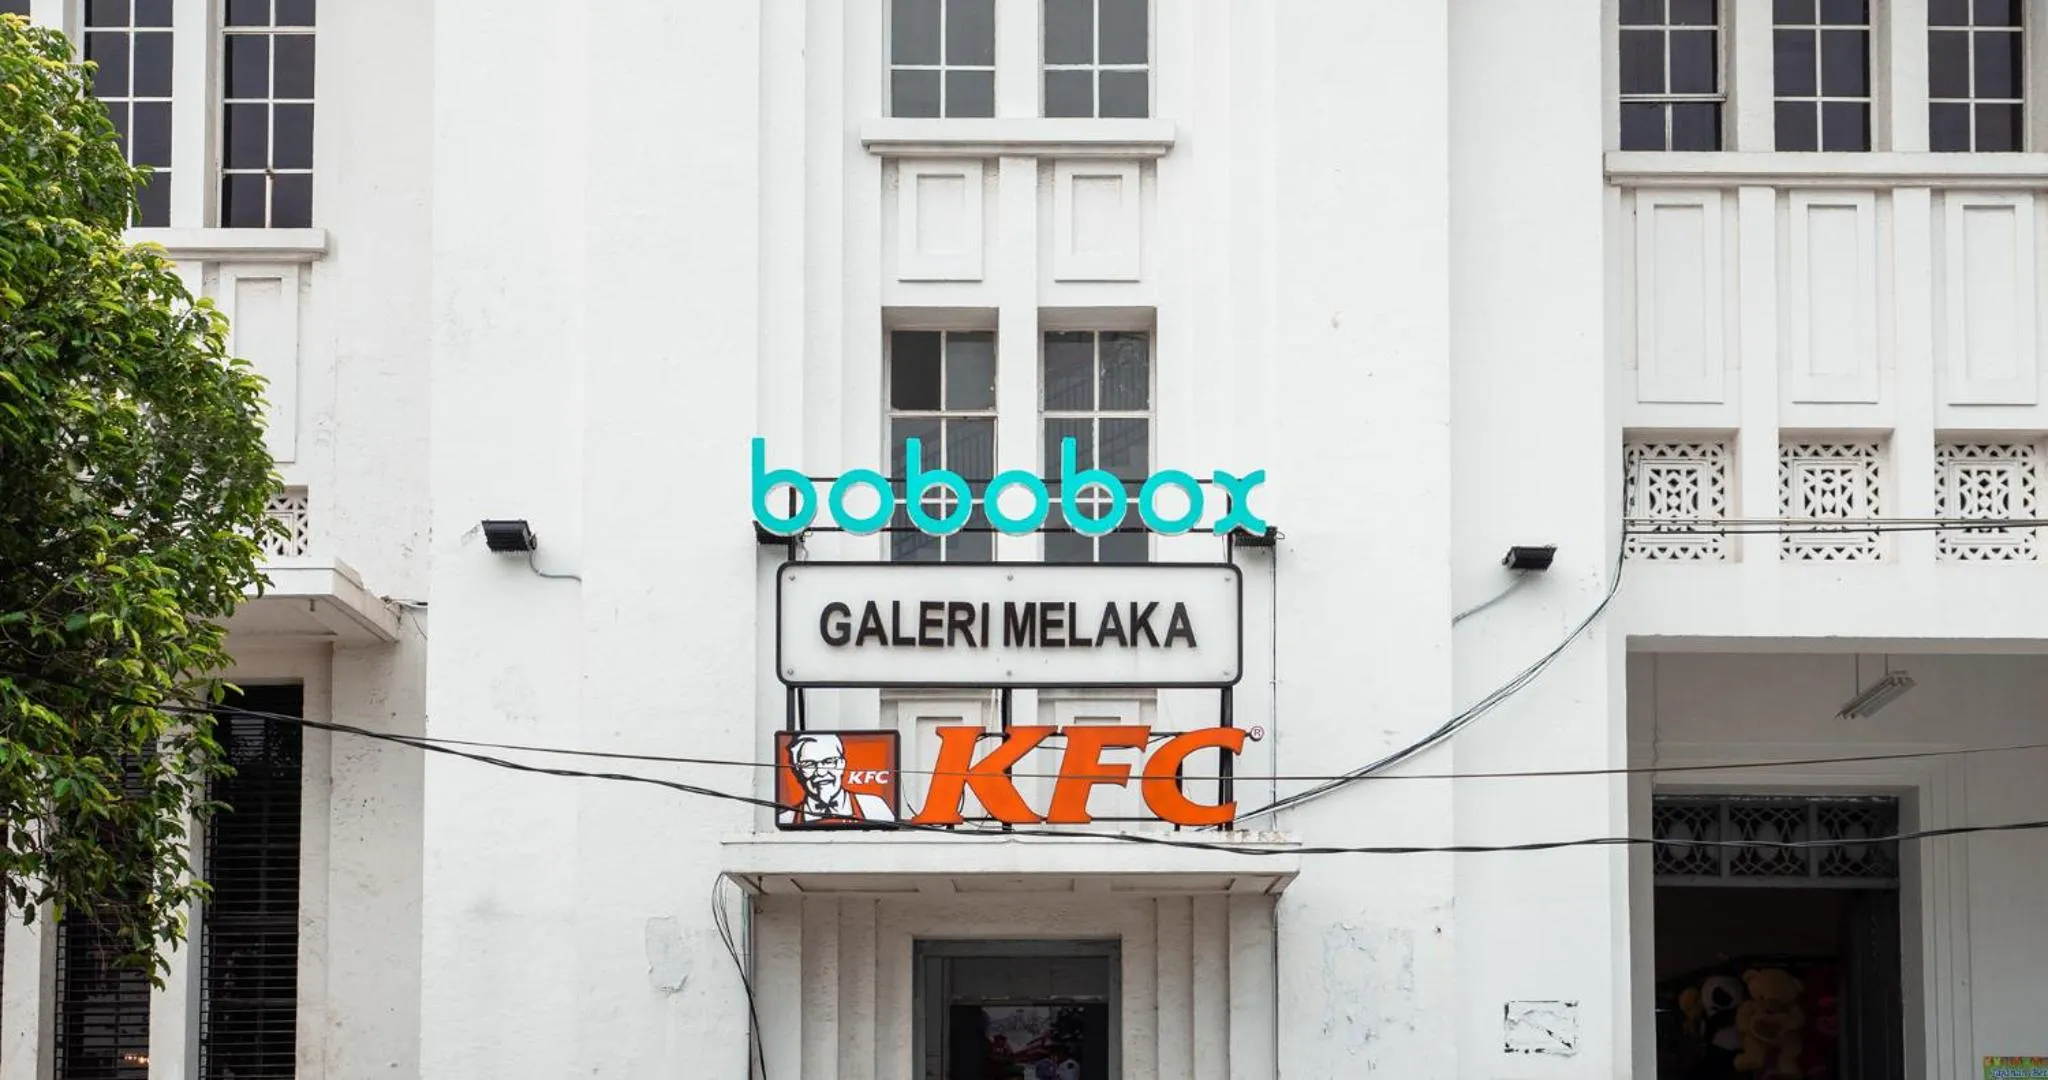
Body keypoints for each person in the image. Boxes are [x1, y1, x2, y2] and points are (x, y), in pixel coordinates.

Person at [778, 733, 896, 825]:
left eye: (829, 762)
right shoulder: (786, 818)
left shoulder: (873, 807)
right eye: (809, 764)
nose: (821, 772)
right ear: (797, 770)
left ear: (842, 764)